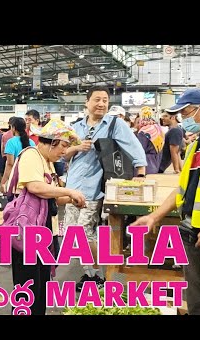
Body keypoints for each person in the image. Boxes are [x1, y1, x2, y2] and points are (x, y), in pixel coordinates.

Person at [63, 86, 147, 291]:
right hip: (72, 186)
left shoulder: (115, 124)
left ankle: (99, 274)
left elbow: (133, 146)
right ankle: (90, 274)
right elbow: (63, 154)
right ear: (87, 102)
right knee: (72, 234)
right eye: (97, 99)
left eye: (104, 100)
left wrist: (141, 173)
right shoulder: (76, 127)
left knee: (84, 231)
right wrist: (77, 147)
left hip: (94, 186)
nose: (101, 104)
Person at [131, 88, 200, 315]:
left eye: (189, 111)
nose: (186, 117)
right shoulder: (194, 146)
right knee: (196, 298)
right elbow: (180, 190)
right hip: (191, 231)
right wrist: (154, 216)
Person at [10, 119, 86, 315]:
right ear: (52, 141)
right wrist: (69, 191)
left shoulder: (48, 162)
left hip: (43, 231)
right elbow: (35, 187)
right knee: (27, 288)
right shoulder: (31, 155)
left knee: (41, 285)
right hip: (27, 233)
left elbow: (51, 197)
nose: (64, 151)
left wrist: (70, 199)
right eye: (63, 146)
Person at [0, 117, 36, 200]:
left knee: (13, 206)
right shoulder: (31, 142)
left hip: (15, 181)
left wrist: (3, 182)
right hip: (29, 179)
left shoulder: (11, 142)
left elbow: (10, 164)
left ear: (13, 128)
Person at [136, 106, 164, 174]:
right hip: (155, 164)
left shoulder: (144, 131)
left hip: (145, 167)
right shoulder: (159, 129)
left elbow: (139, 151)